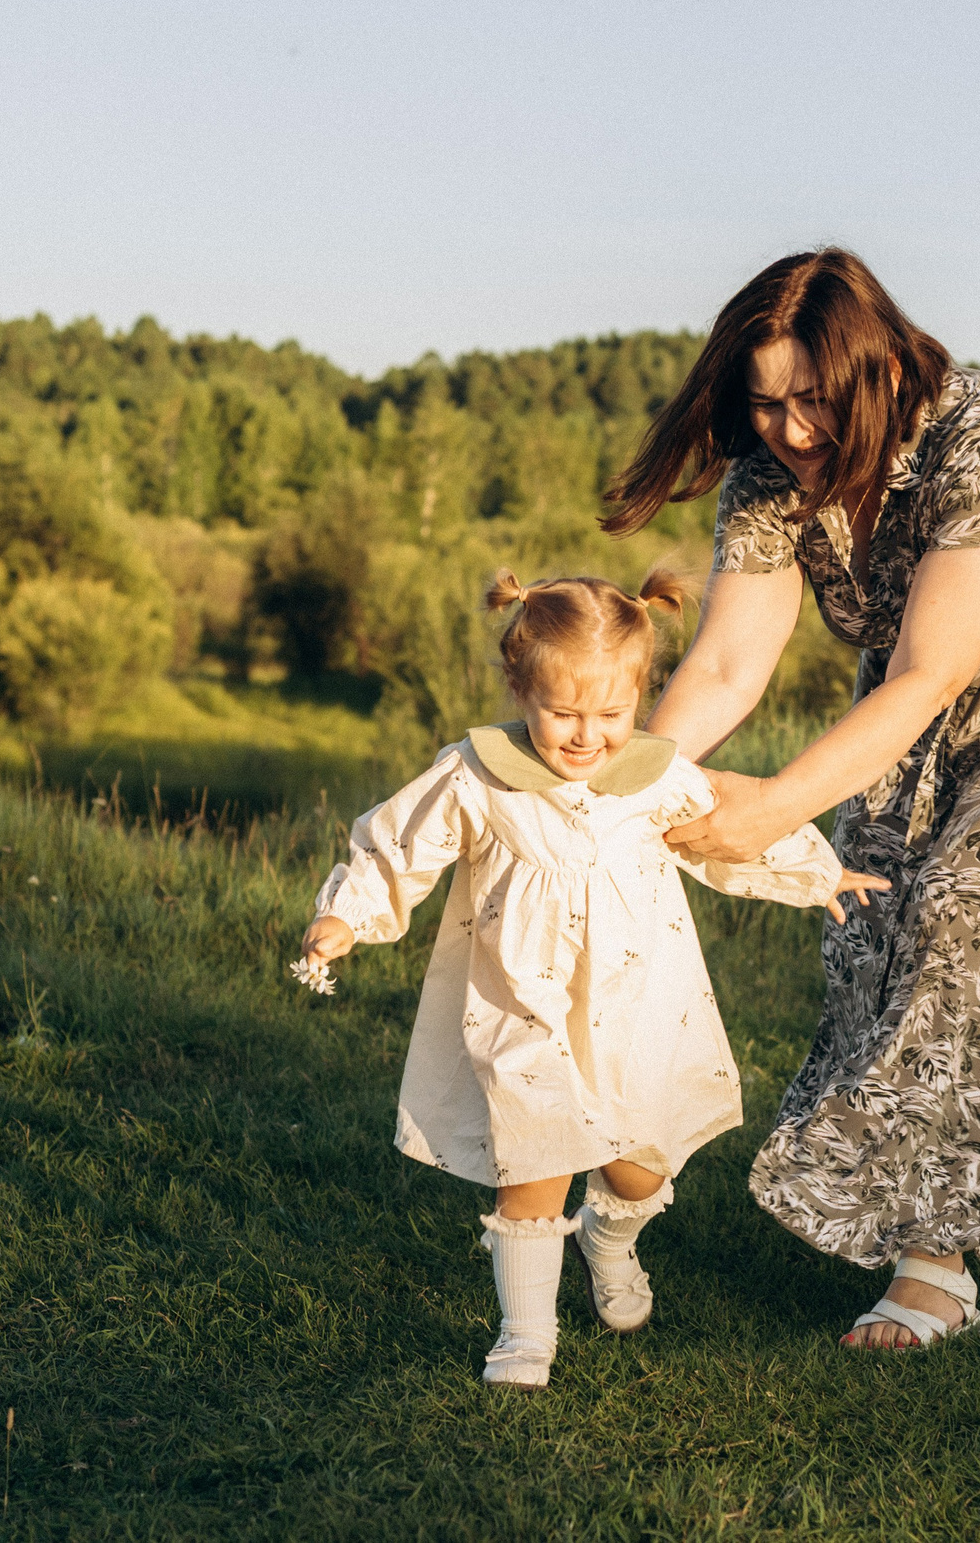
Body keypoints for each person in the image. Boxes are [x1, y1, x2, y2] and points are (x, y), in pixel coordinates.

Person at [602, 249, 980, 1351]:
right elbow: (731, 664)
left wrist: (772, 807)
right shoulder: (771, 480)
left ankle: (938, 1266)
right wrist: (617, 783)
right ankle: (910, 1202)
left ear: (874, 365)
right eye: (764, 403)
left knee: (977, 922)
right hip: (930, 695)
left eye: (811, 399)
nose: (788, 428)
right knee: (868, 916)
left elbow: (932, 666)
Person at [293, 566, 889, 1389]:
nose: (585, 736)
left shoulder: (656, 779)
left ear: (638, 698)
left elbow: (732, 836)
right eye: (563, 713)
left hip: (637, 1004)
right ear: (519, 686)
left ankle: (610, 1242)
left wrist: (816, 874)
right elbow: (397, 847)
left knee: (638, 1167)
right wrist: (347, 917)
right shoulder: (478, 775)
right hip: (521, 1005)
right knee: (532, 1165)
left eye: (609, 714)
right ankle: (525, 1333)